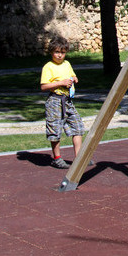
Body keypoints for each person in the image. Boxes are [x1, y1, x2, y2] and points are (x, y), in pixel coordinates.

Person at [40, 37, 84, 169]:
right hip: (55, 100)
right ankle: (57, 158)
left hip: (68, 100)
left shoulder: (67, 64)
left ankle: (79, 158)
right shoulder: (48, 67)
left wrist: (74, 78)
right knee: (55, 130)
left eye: (63, 52)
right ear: (51, 52)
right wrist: (61, 83)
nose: (60, 55)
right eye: (57, 52)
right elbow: (43, 86)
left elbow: (71, 75)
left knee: (78, 126)